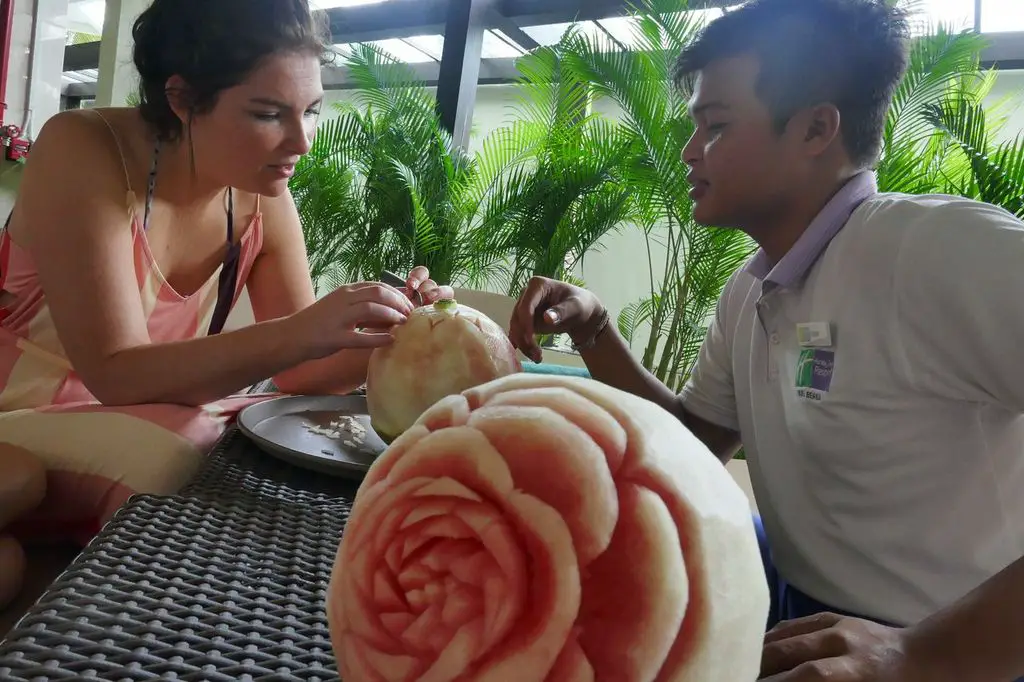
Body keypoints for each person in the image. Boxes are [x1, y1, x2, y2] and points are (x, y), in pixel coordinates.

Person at [511, 0, 1024, 680]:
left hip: (965, 652)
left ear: (816, 127)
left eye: (716, 126)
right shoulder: (752, 290)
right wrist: (598, 329)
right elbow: (693, 443)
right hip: (804, 626)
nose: (690, 151)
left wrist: (920, 653)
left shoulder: (940, 250)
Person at [0, 0, 451, 609]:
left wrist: (388, 327)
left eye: (312, 111)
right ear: (181, 98)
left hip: (149, 412)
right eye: (269, 114)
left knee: (268, 436)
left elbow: (301, 372)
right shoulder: (84, 148)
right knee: (190, 448)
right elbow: (113, 369)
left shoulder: (264, 194)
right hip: (25, 408)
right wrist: (307, 328)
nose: (301, 141)